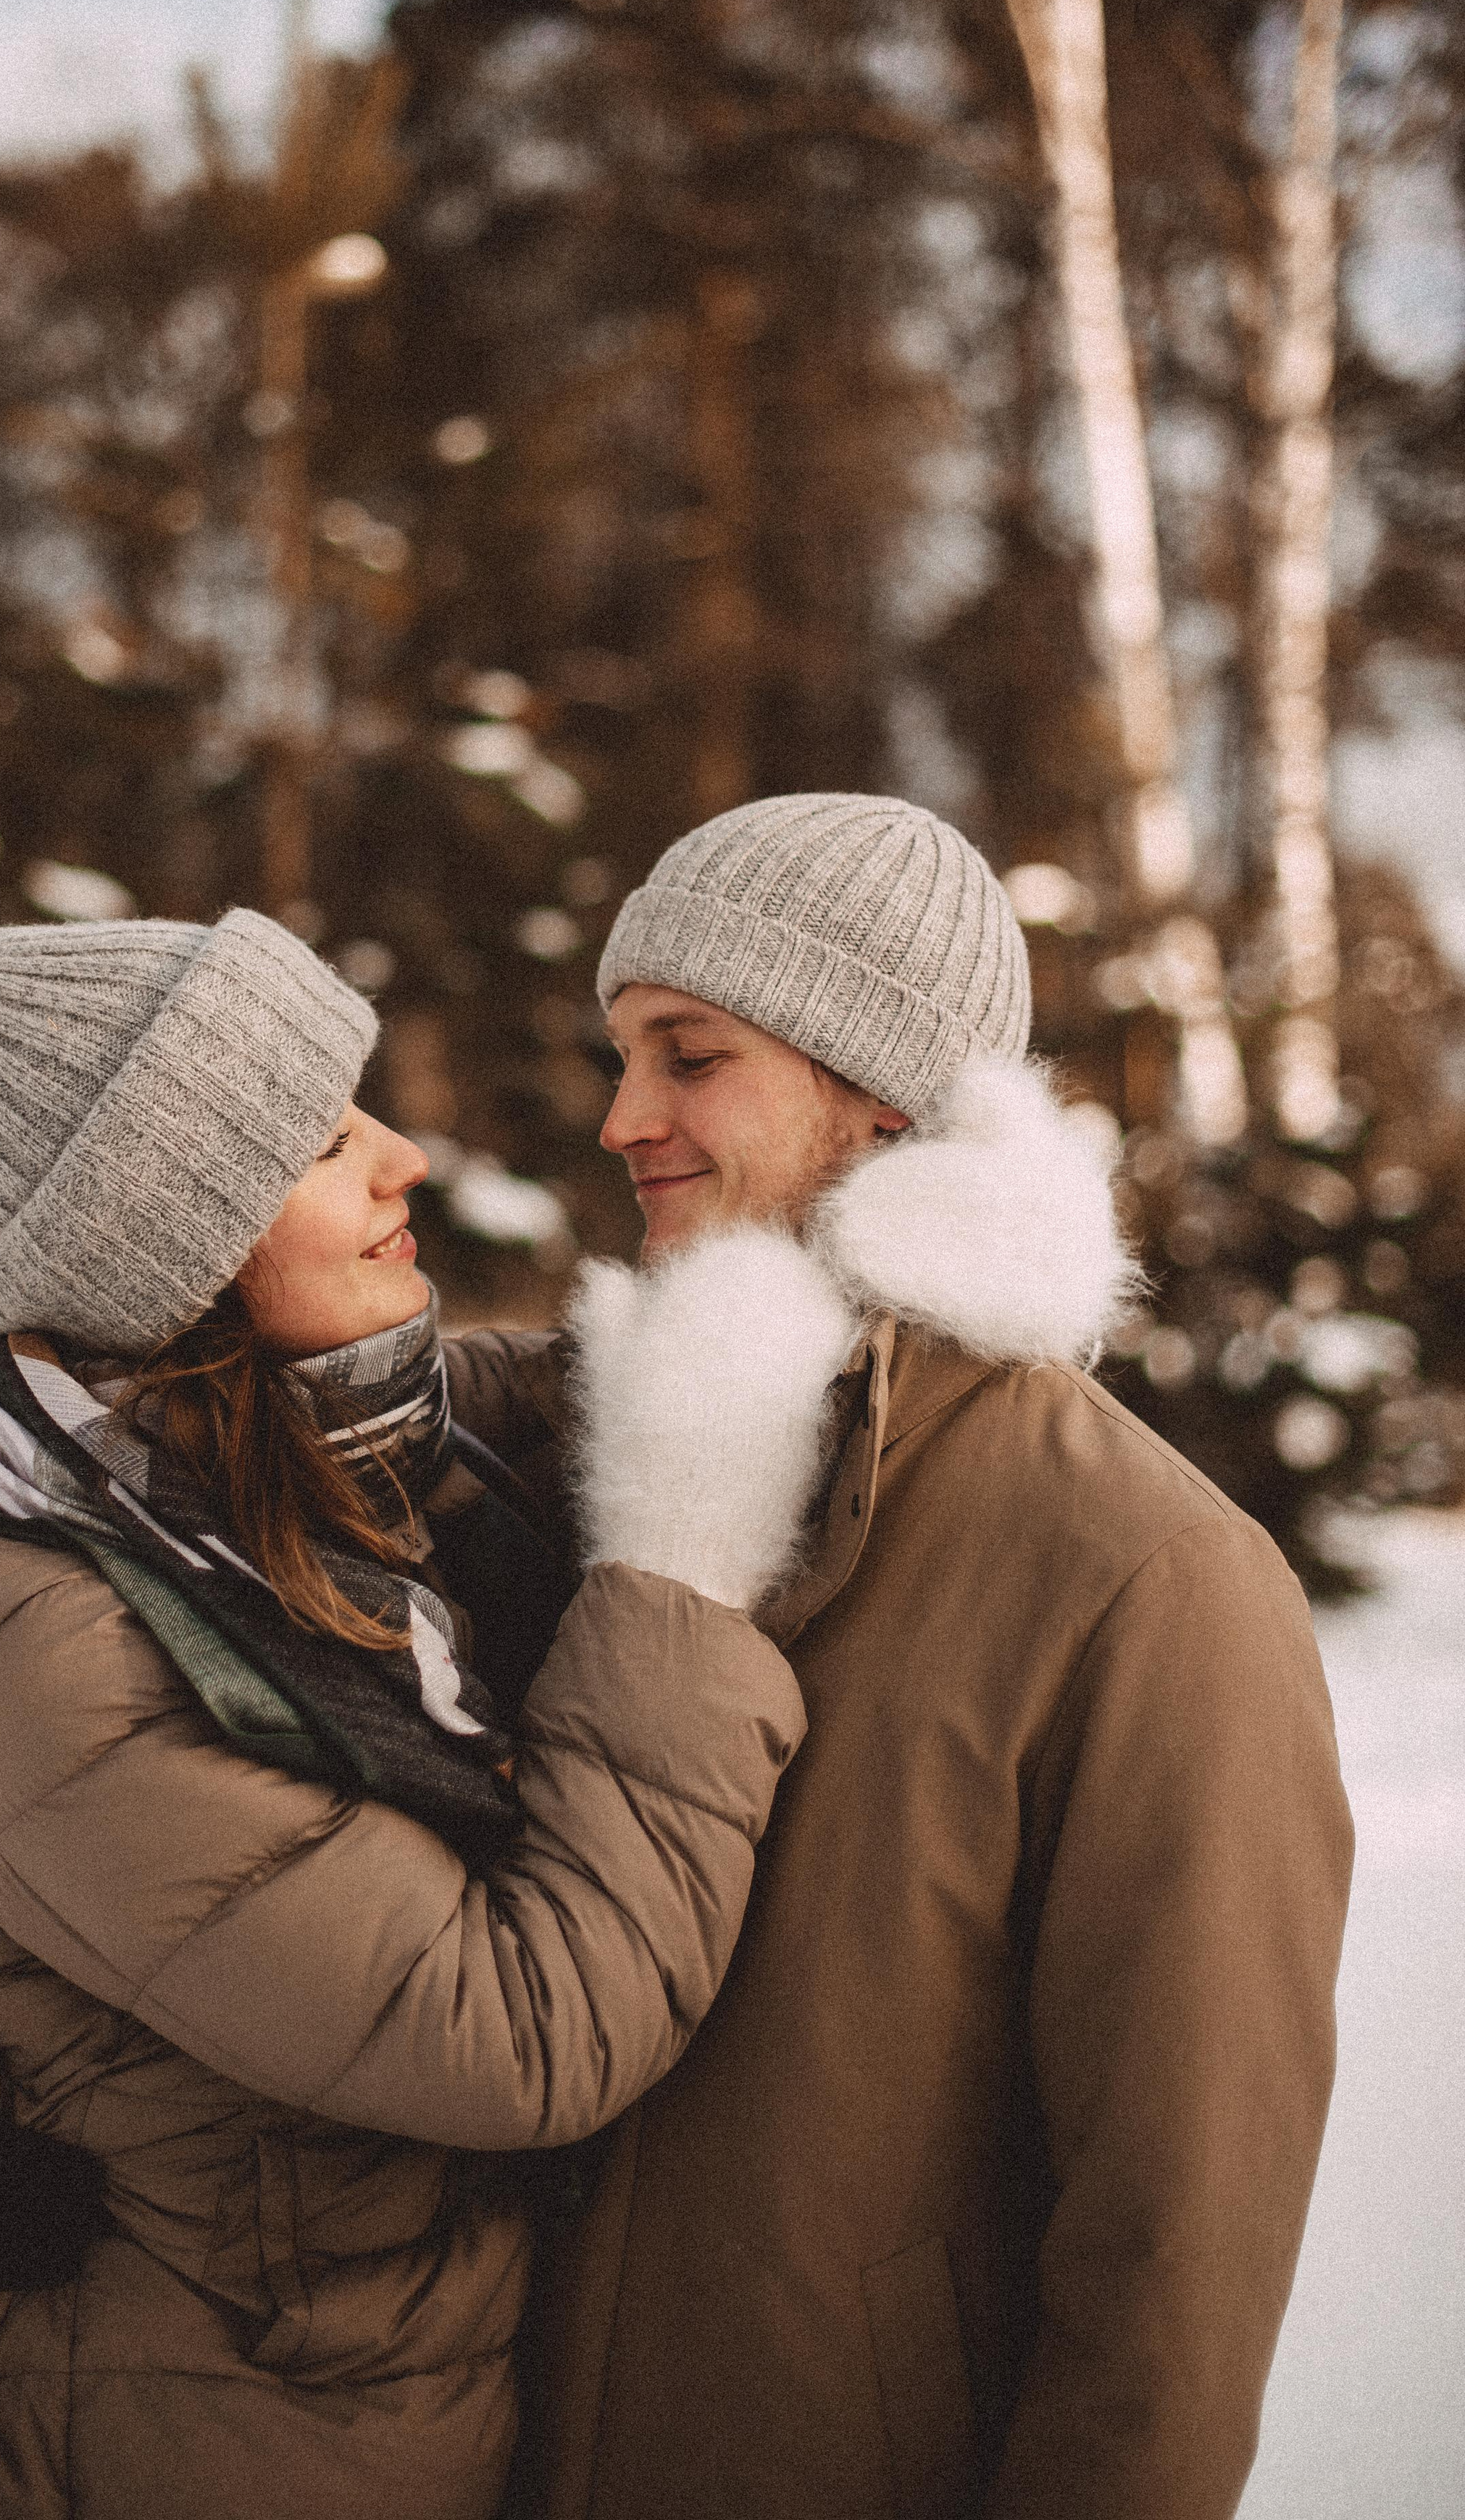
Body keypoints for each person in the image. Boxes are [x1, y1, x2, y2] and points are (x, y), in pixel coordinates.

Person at [0, 903, 855, 2520]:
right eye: (321, 1143)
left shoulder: (341, 1460)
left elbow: (605, 1372)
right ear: (179, 1248)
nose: (405, 1163)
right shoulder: (73, 1651)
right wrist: (677, 1580)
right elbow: (523, 2033)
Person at [451, 794, 1354, 2520]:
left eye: (686, 1054)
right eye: (620, 1054)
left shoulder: (1148, 1581)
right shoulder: (597, 1471)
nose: (619, 1115)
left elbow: (1169, 2265)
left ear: (877, 1097)